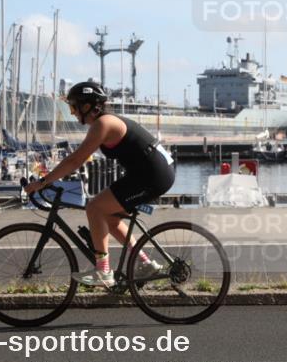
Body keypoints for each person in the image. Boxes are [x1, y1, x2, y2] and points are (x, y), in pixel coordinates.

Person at [24, 81, 175, 288]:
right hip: (147, 172)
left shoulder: (103, 125)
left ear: (87, 106)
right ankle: (146, 264)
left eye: (74, 107)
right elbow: (76, 161)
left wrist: (42, 182)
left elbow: (75, 160)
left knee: (95, 207)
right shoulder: (103, 122)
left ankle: (103, 271)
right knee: (108, 216)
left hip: (153, 175)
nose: (73, 113)